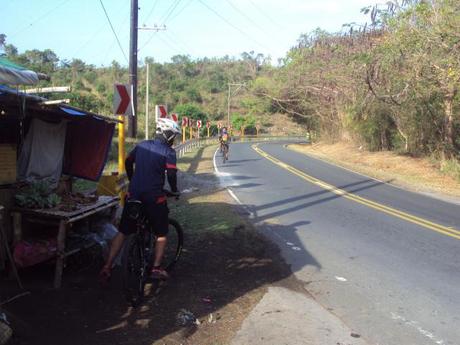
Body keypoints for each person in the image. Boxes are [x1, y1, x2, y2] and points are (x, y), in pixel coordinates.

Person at [99, 118, 181, 282]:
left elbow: (129, 162)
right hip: (154, 198)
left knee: (123, 232)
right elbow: (171, 174)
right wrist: (174, 190)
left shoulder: (142, 145)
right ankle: (156, 268)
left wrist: (132, 179)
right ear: (167, 134)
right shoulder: (169, 152)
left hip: (133, 195)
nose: (173, 139)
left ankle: (107, 266)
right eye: (173, 135)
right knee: (162, 234)